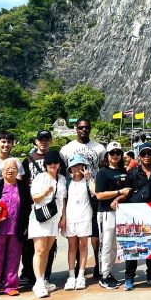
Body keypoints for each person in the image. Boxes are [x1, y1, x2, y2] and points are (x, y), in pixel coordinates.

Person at [60, 119, 106, 280]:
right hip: (74, 192)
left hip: (92, 192)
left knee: (94, 233)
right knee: (75, 237)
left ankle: (98, 264)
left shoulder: (99, 148)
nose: (84, 130)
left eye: (87, 127)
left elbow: (102, 169)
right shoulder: (66, 149)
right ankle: (77, 269)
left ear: (90, 129)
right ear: (76, 129)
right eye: (81, 127)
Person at [0, 158, 31, 298]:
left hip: (16, 228)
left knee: (14, 257)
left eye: (13, 168)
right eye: (7, 169)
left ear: (17, 171)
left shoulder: (22, 186)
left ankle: (11, 286)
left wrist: (25, 226)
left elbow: (27, 207)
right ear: (2, 172)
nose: (10, 171)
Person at [122, 143, 151, 290]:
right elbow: (126, 193)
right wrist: (117, 202)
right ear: (139, 156)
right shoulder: (133, 173)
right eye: (143, 154)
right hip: (134, 215)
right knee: (133, 247)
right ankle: (129, 277)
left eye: (149, 153)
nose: (146, 156)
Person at [20, 130, 58, 289]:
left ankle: (45, 275)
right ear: (36, 141)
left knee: (50, 243)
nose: (44, 142)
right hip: (32, 205)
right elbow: (22, 183)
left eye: (47, 139)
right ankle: (28, 273)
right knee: (30, 242)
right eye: (41, 139)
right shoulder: (28, 160)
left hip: (51, 206)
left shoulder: (56, 158)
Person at [28, 150, 66, 297]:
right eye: (49, 162)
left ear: (59, 164)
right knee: (40, 251)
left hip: (54, 219)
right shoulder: (40, 178)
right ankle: (38, 283)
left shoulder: (62, 179)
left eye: (55, 162)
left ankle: (43, 280)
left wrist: (63, 218)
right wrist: (46, 192)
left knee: (47, 251)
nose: (53, 165)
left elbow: (62, 200)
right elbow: (35, 198)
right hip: (40, 219)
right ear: (45, 165)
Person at [94, 142, 130, 290]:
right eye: (112, 153)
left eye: (118, 152)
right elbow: (99, 195)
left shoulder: (124, 171)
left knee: (114, 246)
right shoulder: (103, 172)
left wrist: (119, 197)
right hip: (105, 212)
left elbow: (128, 191)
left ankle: (109, 272)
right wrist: (118, 193)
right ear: (107, 155)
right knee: (106, 244)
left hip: (119, 212)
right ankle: (103, 275)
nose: (115, 155)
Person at [63, 154, 93, 290]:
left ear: (83, 166)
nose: (76, 168)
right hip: (70, 218)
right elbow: (63, 201)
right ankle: (71, 276)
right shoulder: (66, 182)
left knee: (83, 246)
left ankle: (81, 275)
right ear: (70, 168)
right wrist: (63, 218)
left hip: (84, 217)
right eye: (74, 166)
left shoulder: (87, 181)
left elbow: (94, 191)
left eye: (79, 165)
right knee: (71, 247)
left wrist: (89, 178)